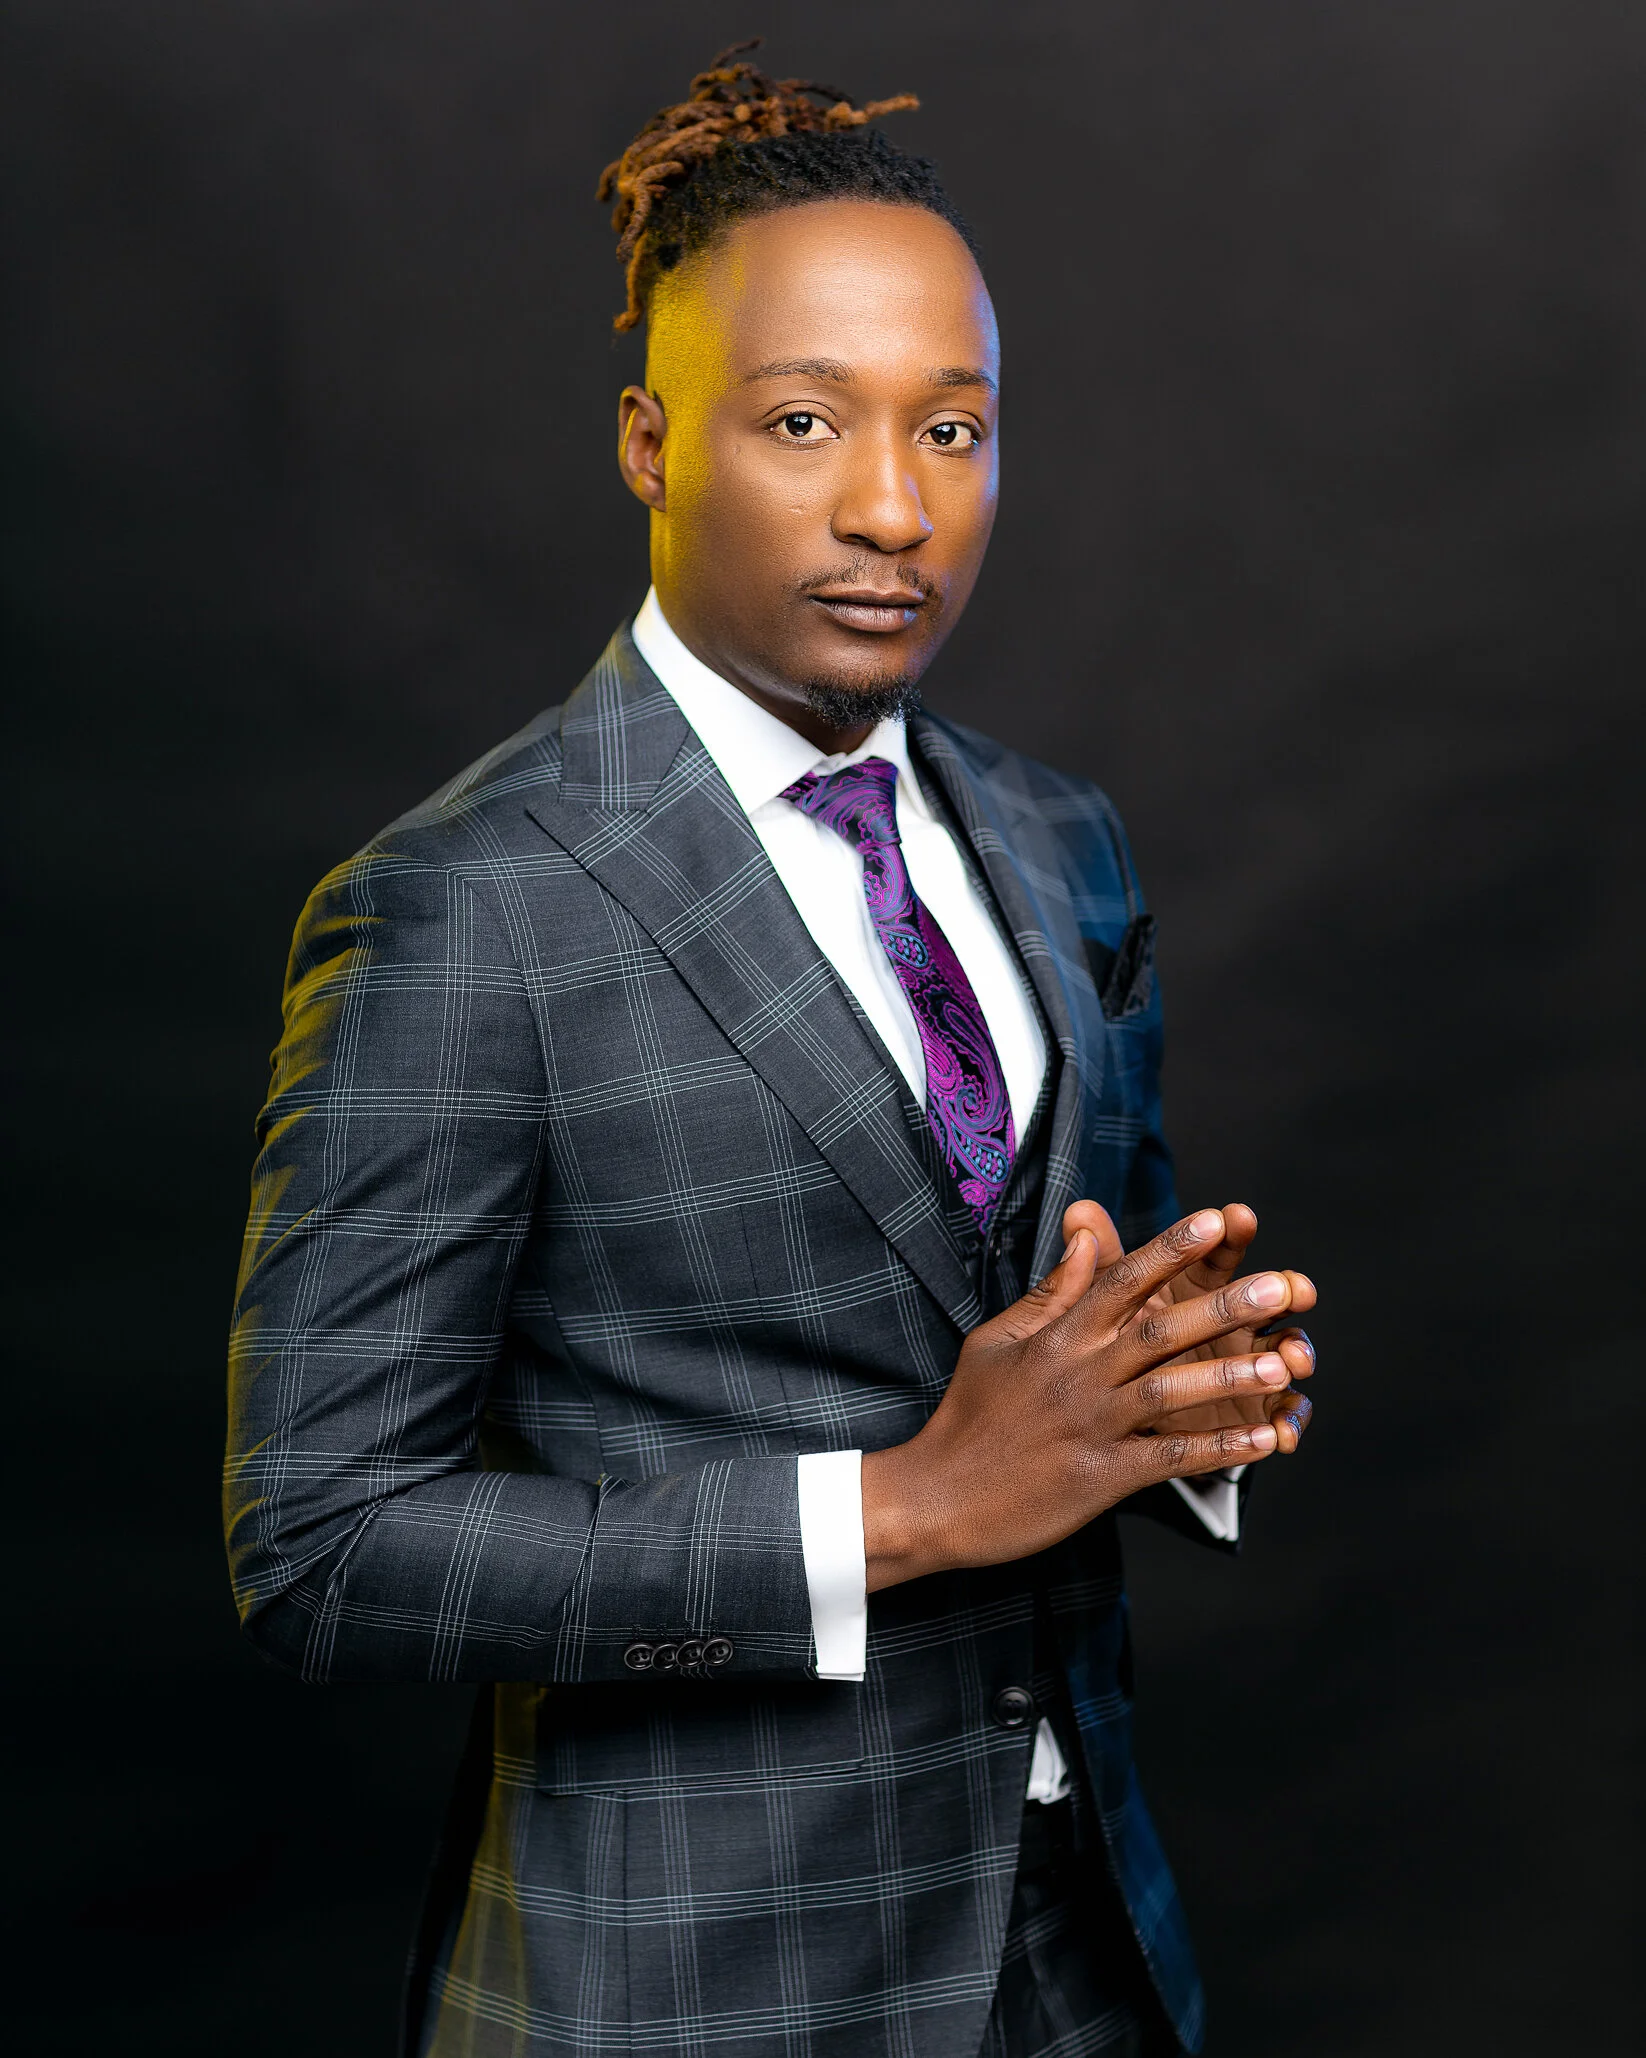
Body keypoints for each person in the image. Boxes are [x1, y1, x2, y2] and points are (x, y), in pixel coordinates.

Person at [224, 44, 1316, 2058]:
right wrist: (897, 1507)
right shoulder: (468, 907)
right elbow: (321, 1544)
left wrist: (1191, 1396)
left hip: (1083, 1955)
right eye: (804, 422)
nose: (893, 507)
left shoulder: (1059, 838)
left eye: (955, 429)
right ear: (649, 441)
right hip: (685, 1987)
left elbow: (1068, 1333)